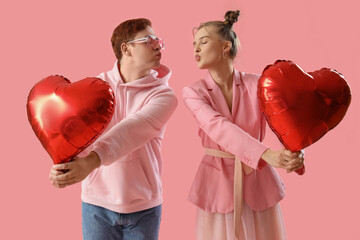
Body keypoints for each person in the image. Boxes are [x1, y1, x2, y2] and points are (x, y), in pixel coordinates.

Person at [49, 18, 178, 240]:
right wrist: (62, 166)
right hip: (96, 206)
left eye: (159, 40)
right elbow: (74, 133)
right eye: (149, 40)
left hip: (144, 208)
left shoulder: (165, 96)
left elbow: (131, 130)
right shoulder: (94, 88)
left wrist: (90, 162)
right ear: (126, 48)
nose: (158, 45)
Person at [182, 10, 304, 240]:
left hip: (259, 184)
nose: (196, 49)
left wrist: (296, 152)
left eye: (204, 42)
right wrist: (267, 154)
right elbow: (217, 126)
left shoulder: (258, 83)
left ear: (225, 47)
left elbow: (287, 121)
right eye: (194, 44)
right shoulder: (193, 92)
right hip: (217, 186)